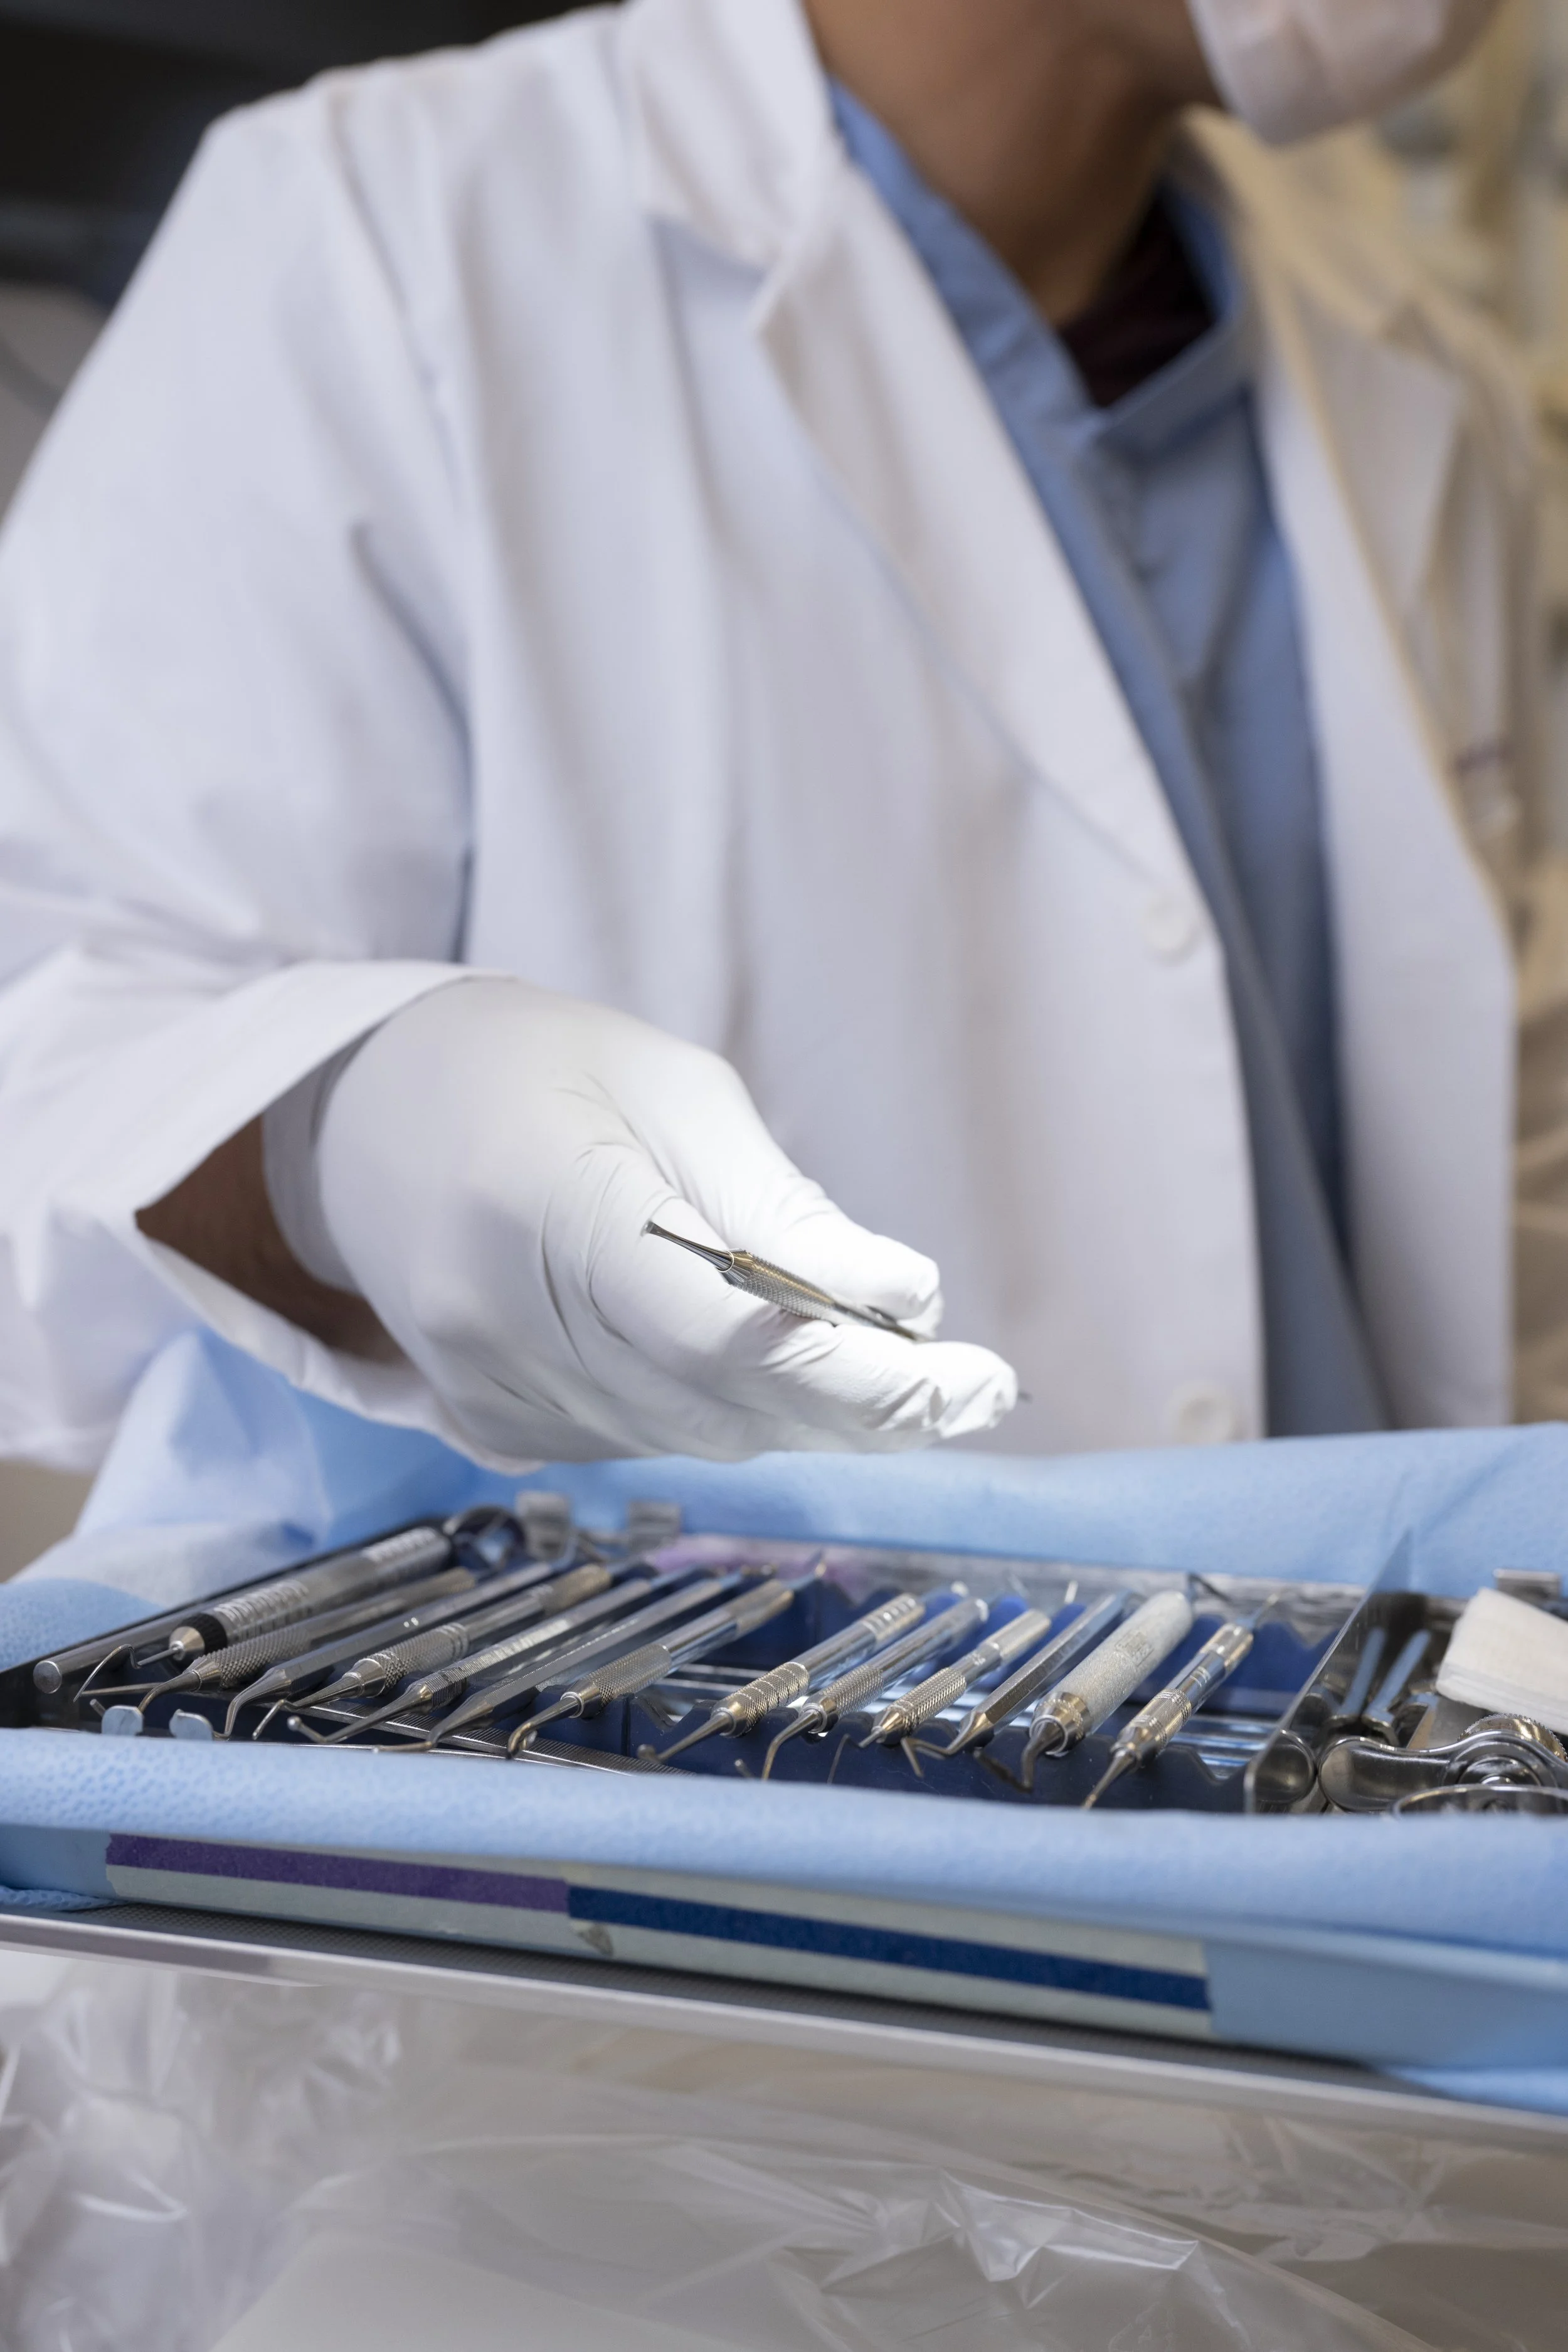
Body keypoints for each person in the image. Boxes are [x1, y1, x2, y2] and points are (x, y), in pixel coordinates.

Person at [0, 0, 1538, 1479]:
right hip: (686, 1693)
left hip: (1384, 1693)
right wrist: (333, 1144)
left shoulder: (1417, 378)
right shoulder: (373, 236)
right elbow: (59, 1053)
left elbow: (1509, 1148)